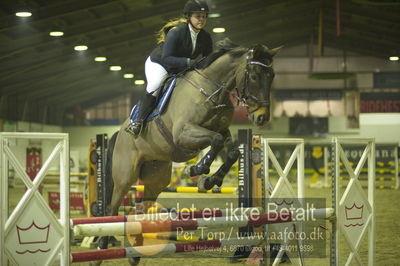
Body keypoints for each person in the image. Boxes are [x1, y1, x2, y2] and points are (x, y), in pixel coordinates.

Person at [125, 0, 213, 136]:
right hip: (160, 63)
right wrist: (189, 62)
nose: (201, 20)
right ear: (189, 17)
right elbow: (167, 58)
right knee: (156, 85)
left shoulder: (206, 37)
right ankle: (137, 121)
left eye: (204, 16)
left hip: (181, 68)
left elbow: (209, 60)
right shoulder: (177, 32)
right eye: (198, 16)